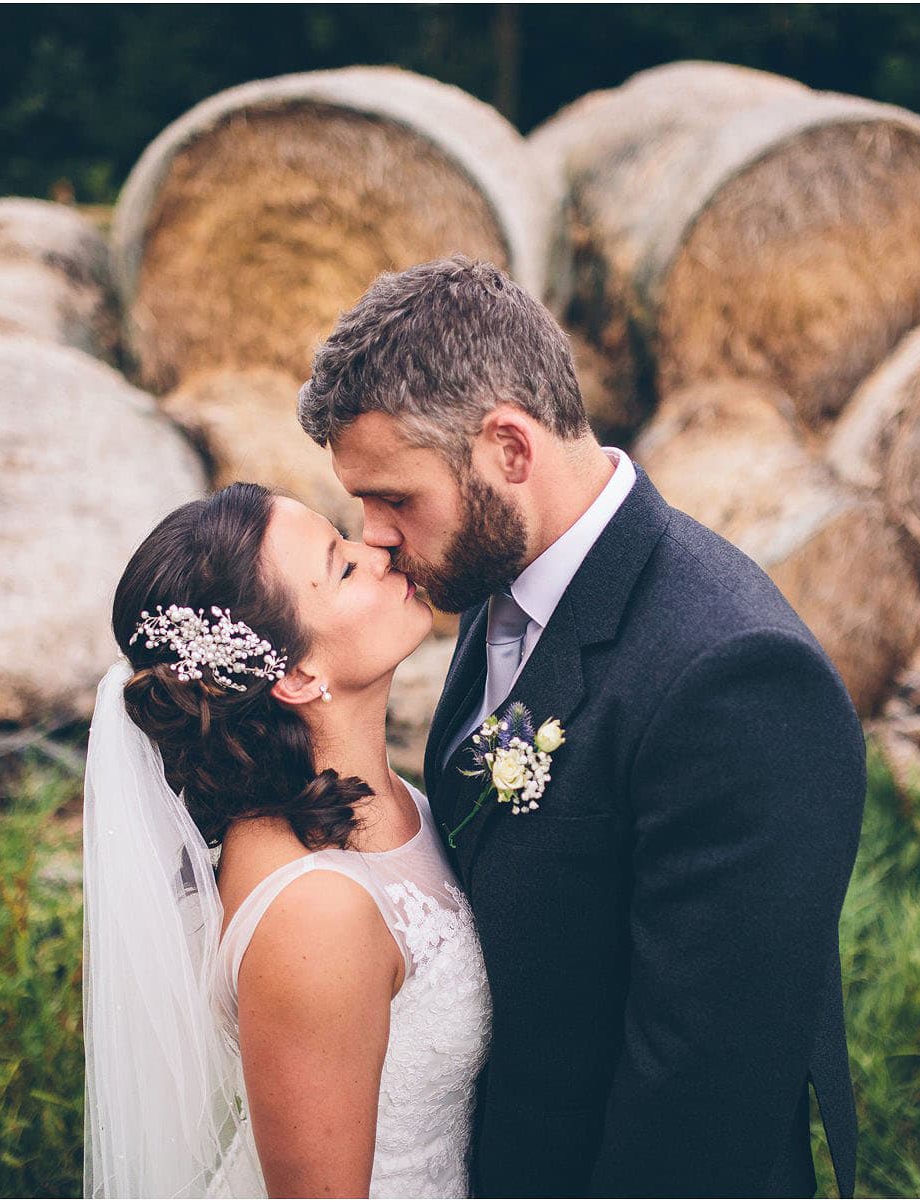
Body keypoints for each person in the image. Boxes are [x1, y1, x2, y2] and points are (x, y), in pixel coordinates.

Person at [295, 255, 866, 1197]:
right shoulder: (494, 574)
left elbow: (705, 1092)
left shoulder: (738, 680)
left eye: (395, 497)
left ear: (509, 451)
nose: (375, 534)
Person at [81, 482, 491, 1198]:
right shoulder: (314, 913)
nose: (380, 550)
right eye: (341, 566)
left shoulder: (387, 796)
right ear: (299, 675)